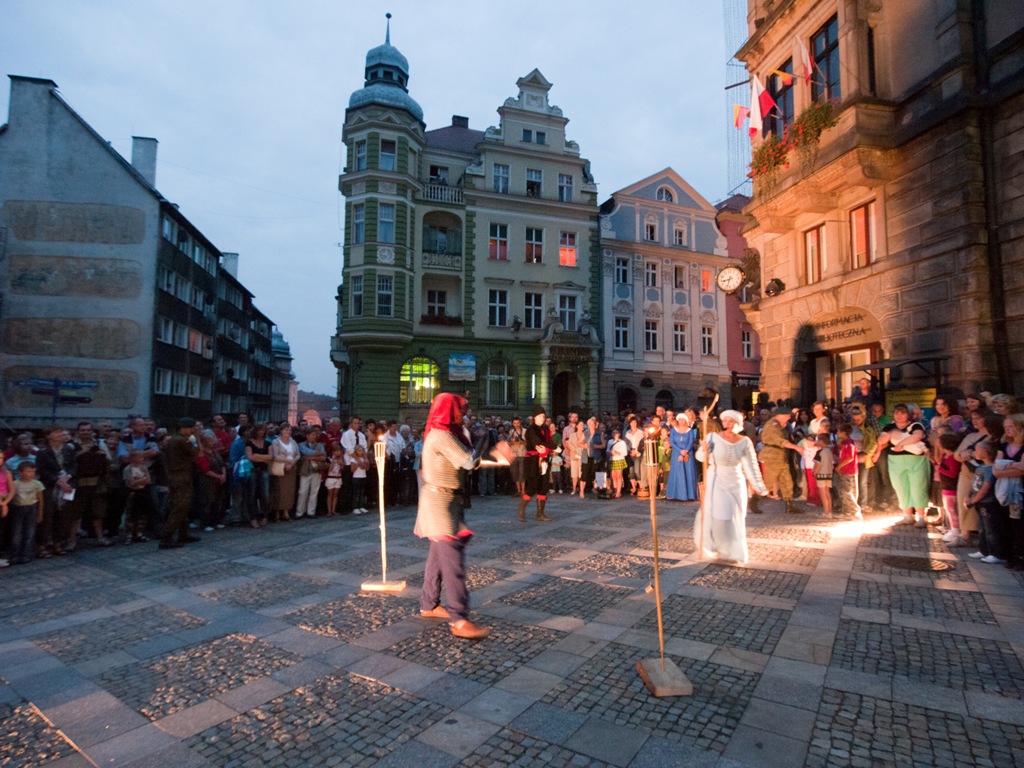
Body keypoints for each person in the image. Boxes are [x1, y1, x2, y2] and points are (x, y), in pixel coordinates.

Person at [415, 393, 491, 640]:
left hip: (446, 500)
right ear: (449, 411)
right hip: (440, 503)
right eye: (459, 411)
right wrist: (486, 446)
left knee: (438, 557)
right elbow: (468, 461)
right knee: (452, 561)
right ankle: (459, 619)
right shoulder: (441, 435)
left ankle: (428, 604)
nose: (463, 415)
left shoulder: (444, 433)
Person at [694, 409, 769, 564]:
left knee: (736, 516)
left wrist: (758, 485)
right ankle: (720, 548)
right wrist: (704, 450)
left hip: (736, 480)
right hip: (717, 479)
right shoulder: (713, 437)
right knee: (721, 515)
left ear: (737, 423)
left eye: (731, 421)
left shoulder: (745, 441)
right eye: (725, 421)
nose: (727, 424)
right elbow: (701, 458)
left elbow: (751, 465)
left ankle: (734, 551)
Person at [880, 404, 931, 528]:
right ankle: (907, 515)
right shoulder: (889, 426)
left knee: (918, 487)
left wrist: (901, 443)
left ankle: (921, 517)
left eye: (902, 413)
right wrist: (889, 435)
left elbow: (917, 436)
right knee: (901, 487)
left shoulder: (916, 425)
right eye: (897, 413)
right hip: (895, 461)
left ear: (908, 414)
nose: (899, 416)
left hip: (916, 460)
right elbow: (881, 440)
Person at [159, 418, 199, 549]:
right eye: (192, 427)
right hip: (180, 475)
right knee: (181, 505)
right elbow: (196, 452)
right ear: (185, 428)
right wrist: (197, 439)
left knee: (183, 504)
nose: (193, 430)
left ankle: (183, 532)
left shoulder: (174, 440)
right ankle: (167, 536)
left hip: (177, 475)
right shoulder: (181, 441)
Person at [517, 405, 554, 522]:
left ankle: (540, 513)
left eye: (544, 416)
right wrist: (549, 447)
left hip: (545, 460)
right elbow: (538, 443)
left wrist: (548, 447)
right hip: (533, 462)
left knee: (543, 486)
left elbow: (549, 444)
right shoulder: (531, 430)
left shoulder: (546, 430)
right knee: (532, 486)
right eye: (541, 416)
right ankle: (521, 510)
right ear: (535, 417)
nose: (543, 418)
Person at [760, 407, 801, 513]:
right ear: (781, 415)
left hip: (780, 455)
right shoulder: (772, 425)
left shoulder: (779, 425)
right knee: (768, 481)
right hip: (772, 455)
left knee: (786, 480)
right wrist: (796, 447)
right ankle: (754, 501)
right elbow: (779, 440)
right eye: (787, 416)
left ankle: (789, 505)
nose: (788, 418)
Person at [8, 462, 45, 565]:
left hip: (32, 508)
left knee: (30, 532)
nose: (31, 474)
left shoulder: (37, 484)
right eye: (28, 471)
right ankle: (15, 554)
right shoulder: (15, 484)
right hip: (18, 508)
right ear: (20, 472)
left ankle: (26, 554)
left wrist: (40, 513)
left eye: (33, 471)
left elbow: (40, 500)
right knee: (16, 533)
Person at [666, 412, 698, 501]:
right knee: (677, 473)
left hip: (688, 454)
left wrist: (685, 451)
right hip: (677, 453)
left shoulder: (690, 431)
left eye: (683, 420)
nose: (681, 421)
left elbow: (691, 442)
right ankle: (675, 494)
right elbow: (672, 442)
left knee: (688, 473)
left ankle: (689, 494)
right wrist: (680, 451)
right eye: (680, 420)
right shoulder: (673, 430)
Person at [297, 425, 327, 519]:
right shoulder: (301, 445)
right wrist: (317, 455)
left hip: (316, 470)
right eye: (313, 434)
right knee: (303, 491)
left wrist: (310, 458)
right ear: (307, 435)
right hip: (305, 470)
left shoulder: (320, 445)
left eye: (315, 434)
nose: (315, 436)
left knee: (314, 491)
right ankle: (300, 512)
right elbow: (306, 452)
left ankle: (311, 511)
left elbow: (323, 457)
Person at [835, 424, 862, 519]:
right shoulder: (843, 443)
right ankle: (847, 511)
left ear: (844, 432)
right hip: (844, 470)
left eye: (839, 431)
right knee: (843, 491)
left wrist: (839, 466)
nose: (837, 433)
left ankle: (855, 510)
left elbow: (850, 457)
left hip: (850, 470)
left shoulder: (849, 443)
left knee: (848, 491)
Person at [814, 433, 835, 516]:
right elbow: (832, 464)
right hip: (829, 474)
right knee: (827, 492)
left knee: (823, 493)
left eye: (818, 440)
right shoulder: (829, 451)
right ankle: (830, 511)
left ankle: (826, 512)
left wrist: (814, 472)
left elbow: (817, 464)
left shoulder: (819, 452)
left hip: (821, 474)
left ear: (821, 441)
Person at [324, 445, 344, 516]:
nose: (338, 453)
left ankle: (333, 510)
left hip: (338, 477)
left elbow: (342, 468)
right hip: (330, 477)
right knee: (330, 494)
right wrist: (333, 461)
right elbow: (329, 469)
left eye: (339, 451)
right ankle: (329, 510)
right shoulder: (329, 459)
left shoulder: (341, 459)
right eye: (337, 451)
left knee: (335, 495)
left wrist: (341, 463)